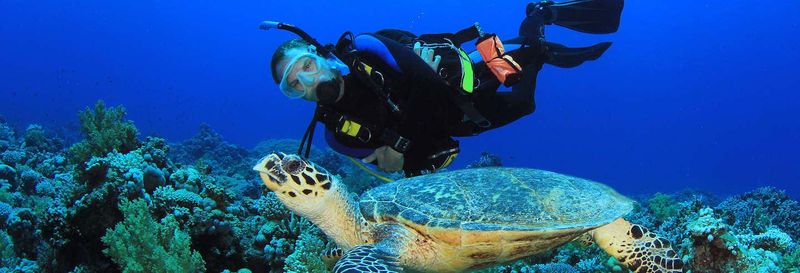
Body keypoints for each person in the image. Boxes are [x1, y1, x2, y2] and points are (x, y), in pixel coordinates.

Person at [265, 0, 624, 177]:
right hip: (455, 125)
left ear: (320, 56)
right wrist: (399, 158)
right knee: (524, 104)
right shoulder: (334, 137)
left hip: (455, 90)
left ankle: (538, 18)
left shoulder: (366, 47)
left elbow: (424, 82)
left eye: (307, 67)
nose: (309, 81)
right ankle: (539, 51)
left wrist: (396, 145)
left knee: (518, 62)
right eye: (295, 85)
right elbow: (401, 171)